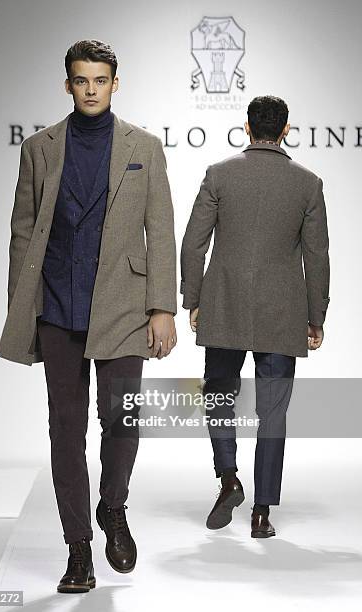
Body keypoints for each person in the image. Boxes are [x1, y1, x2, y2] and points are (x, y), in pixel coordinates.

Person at [0, 39, 177, 592]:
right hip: (55, 305)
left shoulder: (143, 145)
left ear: (115, 84)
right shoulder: (40, 148)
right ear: (68, 84)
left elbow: (161, 230)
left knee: (121, 422)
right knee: (65, 431)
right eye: (82, 80)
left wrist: (162, 308)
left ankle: (113, 510)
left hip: (123, 305)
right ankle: (78, 549)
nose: (92, 89)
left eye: (101, 80)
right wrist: (21, 310)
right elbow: (22, 233)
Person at [180, 95, 330, 538]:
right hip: (282, 310)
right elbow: (316, 256)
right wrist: (316, 314)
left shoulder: (219, 175)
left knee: (219, 395)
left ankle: (228, 477)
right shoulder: (308, 183)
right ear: (286, 130)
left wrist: (194, 299)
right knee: (274, 412)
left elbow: (193, 243)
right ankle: (262, 512)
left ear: (246, 127)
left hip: (224, 301)